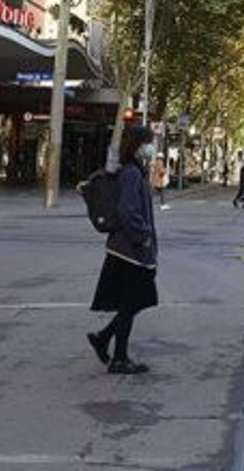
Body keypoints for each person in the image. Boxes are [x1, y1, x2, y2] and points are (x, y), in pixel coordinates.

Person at [87, 125, 160, 375]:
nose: (151, 148)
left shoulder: (133, 171)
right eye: (148, 143)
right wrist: (143, 237)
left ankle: (104, 338)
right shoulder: (131, 173)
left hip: (127, 249)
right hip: (130, 250)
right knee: (133, 302)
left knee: (135, 301)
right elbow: (127, 210)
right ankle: (118, 357)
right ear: (138, 145)